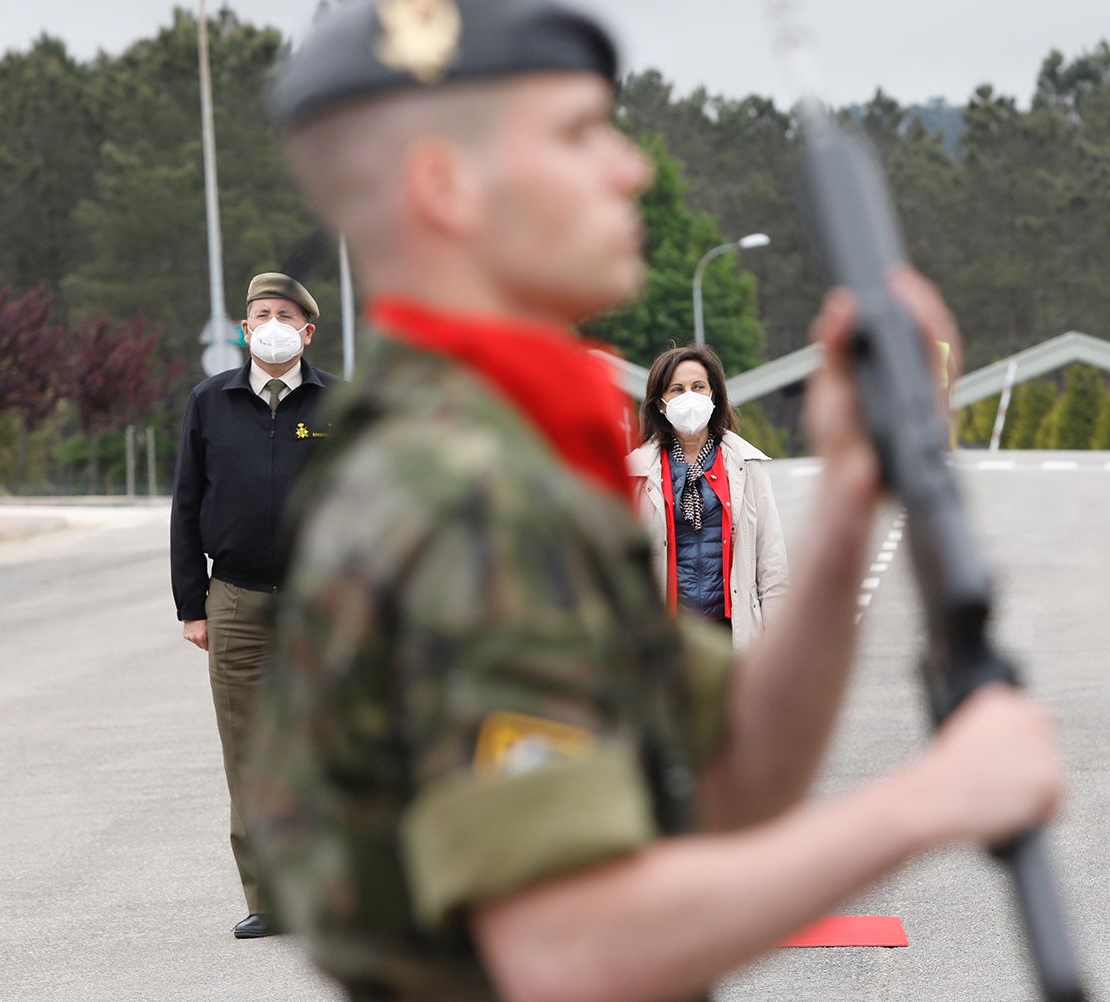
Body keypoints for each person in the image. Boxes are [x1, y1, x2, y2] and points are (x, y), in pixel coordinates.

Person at [245, 2, 1062, 998]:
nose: (630, 169)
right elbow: (568, 951)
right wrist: (929, 803)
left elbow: (738, 774)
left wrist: (852, 491)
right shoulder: (465, 497)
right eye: (580, 133)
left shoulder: (508, 461)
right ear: (446, 187)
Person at [169, 272, 337, 938]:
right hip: (235, 599)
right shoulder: (209, 402)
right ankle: (267, 896)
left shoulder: (337, 406)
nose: (272, 323)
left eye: (285, 314)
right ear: (244, 328)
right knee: (248, 753)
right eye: (260, 313)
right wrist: (193, 606)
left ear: (307, 331)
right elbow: (186, 506)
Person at [627, 346, 789, 649]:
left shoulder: (745, 463)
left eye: (698, 386)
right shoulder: (637, 472)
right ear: (660, 405)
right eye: (677, 389)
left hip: (732, 630)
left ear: (713, 395)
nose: (689, 396)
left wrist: (776, 643)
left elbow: (772, 562)